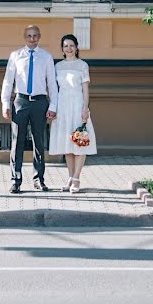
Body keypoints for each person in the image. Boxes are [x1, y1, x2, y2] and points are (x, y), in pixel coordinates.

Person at [1, 25, 58, 194]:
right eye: (29, 36)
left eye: (35, 36)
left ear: (39, 37)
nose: (32, 39)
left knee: (39, 142)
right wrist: (5, 103)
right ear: (24, 37)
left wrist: (53, 105)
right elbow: (7, 81)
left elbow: (52, 83)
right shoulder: (16, 56)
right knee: (17, 141)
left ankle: (38, 179)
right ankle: (15, 180)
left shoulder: (46, 57)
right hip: (21, 101)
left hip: (40, 102)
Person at [48, 34, 96, 193]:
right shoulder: (57, 66)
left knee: (79, 142)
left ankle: (77, 178)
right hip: (63, 106)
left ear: (76, 47)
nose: (68, 48)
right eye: (65, 46)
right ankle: (70, 178)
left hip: (77, 105)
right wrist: (53, 108)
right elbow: (54, 89)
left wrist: (85, 108)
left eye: (71, 45)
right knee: (67, 144)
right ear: (62, 49)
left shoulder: (82, 65)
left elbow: (85, 89)